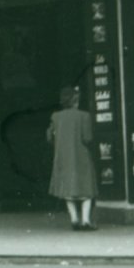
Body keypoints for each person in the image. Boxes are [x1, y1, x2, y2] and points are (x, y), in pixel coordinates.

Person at [46, 85, 98, 231]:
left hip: (63, 156)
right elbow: (87, 138)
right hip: (81, 156)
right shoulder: (84, 116)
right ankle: (86, 220)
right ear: (76, 100)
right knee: (87, 190)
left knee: (67, 190)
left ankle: (74, 219)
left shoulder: (55, 117)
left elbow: (49, 137)